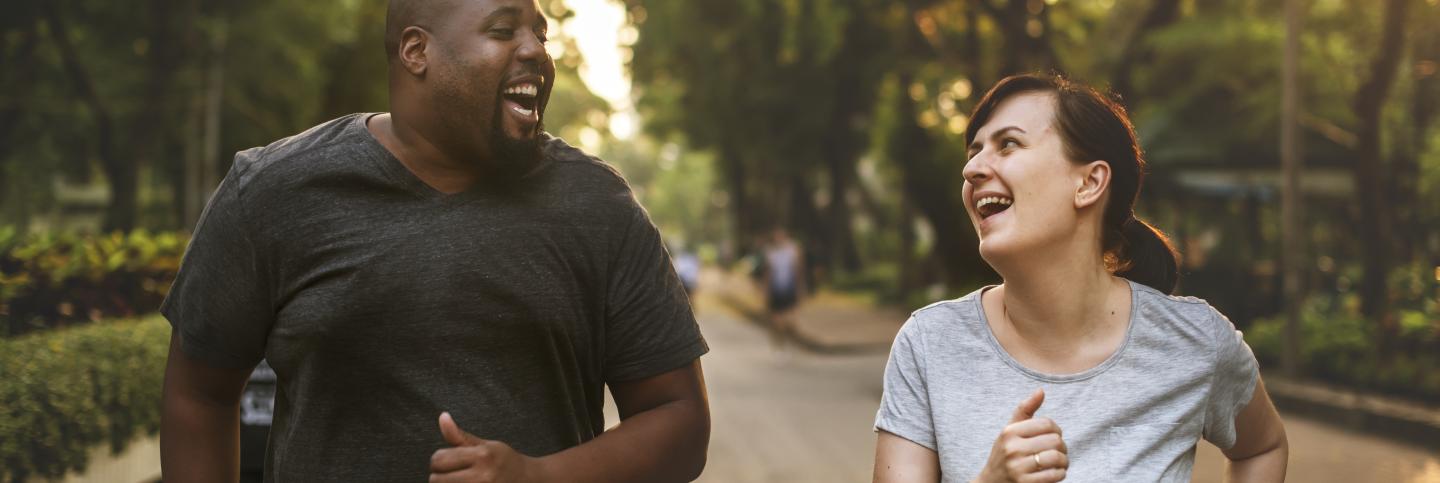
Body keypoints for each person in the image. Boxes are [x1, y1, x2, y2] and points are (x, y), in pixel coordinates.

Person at [158, 0, 710, 481]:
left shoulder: (598, 207)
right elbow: (198, 394)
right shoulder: (272, 193)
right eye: (503, 30)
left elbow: (680, 419)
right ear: (417, 51)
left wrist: (541, 477)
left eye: (540, 34)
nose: (536, 51)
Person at [872, 74, 1288, 483]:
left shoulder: (1194, 342)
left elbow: (1263, 448)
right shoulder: (929, 344)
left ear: (1089, 183)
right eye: (974, 151)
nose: (972, 168)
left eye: (1008, 144)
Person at [762, 227, 805, 357]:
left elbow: (798, 271)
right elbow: (768, 274)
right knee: (776, 322)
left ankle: (793, 344)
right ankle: (779, 347)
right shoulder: (770, 253)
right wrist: (766, 291)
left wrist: (800, 289)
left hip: (790, 289)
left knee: (791, 321)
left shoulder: (793, 250)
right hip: (776, 291)